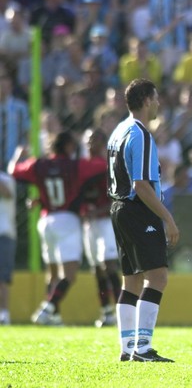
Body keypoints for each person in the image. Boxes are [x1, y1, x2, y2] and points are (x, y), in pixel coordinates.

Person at [107, 78, 180, 362]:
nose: (159, 102)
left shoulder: (118, 130)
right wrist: (168, 219)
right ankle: (143, 347)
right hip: (137, 209)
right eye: (156, 97)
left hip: (118, 208)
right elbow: (141, 184)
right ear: (147, 100)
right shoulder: (140, 133)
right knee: (158, 276)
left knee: (132, 281)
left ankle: (127, 348)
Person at [10, 131, 106, 325]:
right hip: (67, 220)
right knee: (69, 274)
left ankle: (54, 316)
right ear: (69, 146)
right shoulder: (76, 165)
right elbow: (103, 167)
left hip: (46, 221)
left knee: (52, 272)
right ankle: (48, 308)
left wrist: (18, 156)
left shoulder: (39, 164)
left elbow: (14, 171)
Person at [81, 128, 122, 327]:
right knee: (97, 268)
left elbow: (116, 198)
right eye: (88, 140)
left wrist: (95, 212)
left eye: (95, 140)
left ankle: (122, 309)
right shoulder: (82, 168)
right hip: (90, 224)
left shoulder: (107, 169)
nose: (91, 144)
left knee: (109, 265)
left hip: (106, 221)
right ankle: (106, 312)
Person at [0, 170, 15, 325]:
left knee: (2, 277)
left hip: (3, 232)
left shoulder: (6, 179)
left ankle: (4, 314)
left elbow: (7, 193)